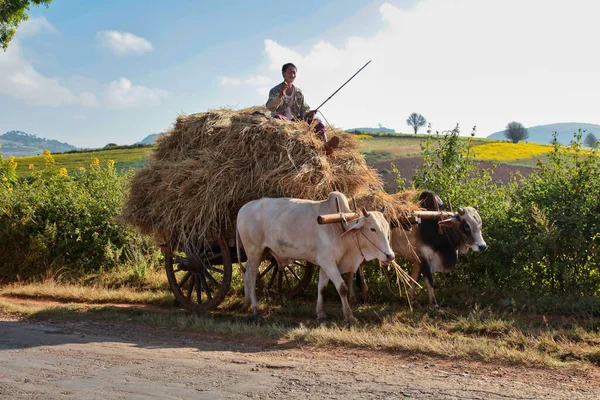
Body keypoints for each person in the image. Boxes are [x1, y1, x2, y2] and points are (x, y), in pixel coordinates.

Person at [266, 63, 339, 154]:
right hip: (282, 120)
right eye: (290, 73)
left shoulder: (299, 92)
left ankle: (326, 146)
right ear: (283, 74)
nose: (292, 75)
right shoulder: (275, 90)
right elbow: (270, 107)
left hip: (296, 121)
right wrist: (280, 95)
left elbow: (304, 110)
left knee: (318, 122)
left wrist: (309, 114)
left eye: (294, 73)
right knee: (277, 117)